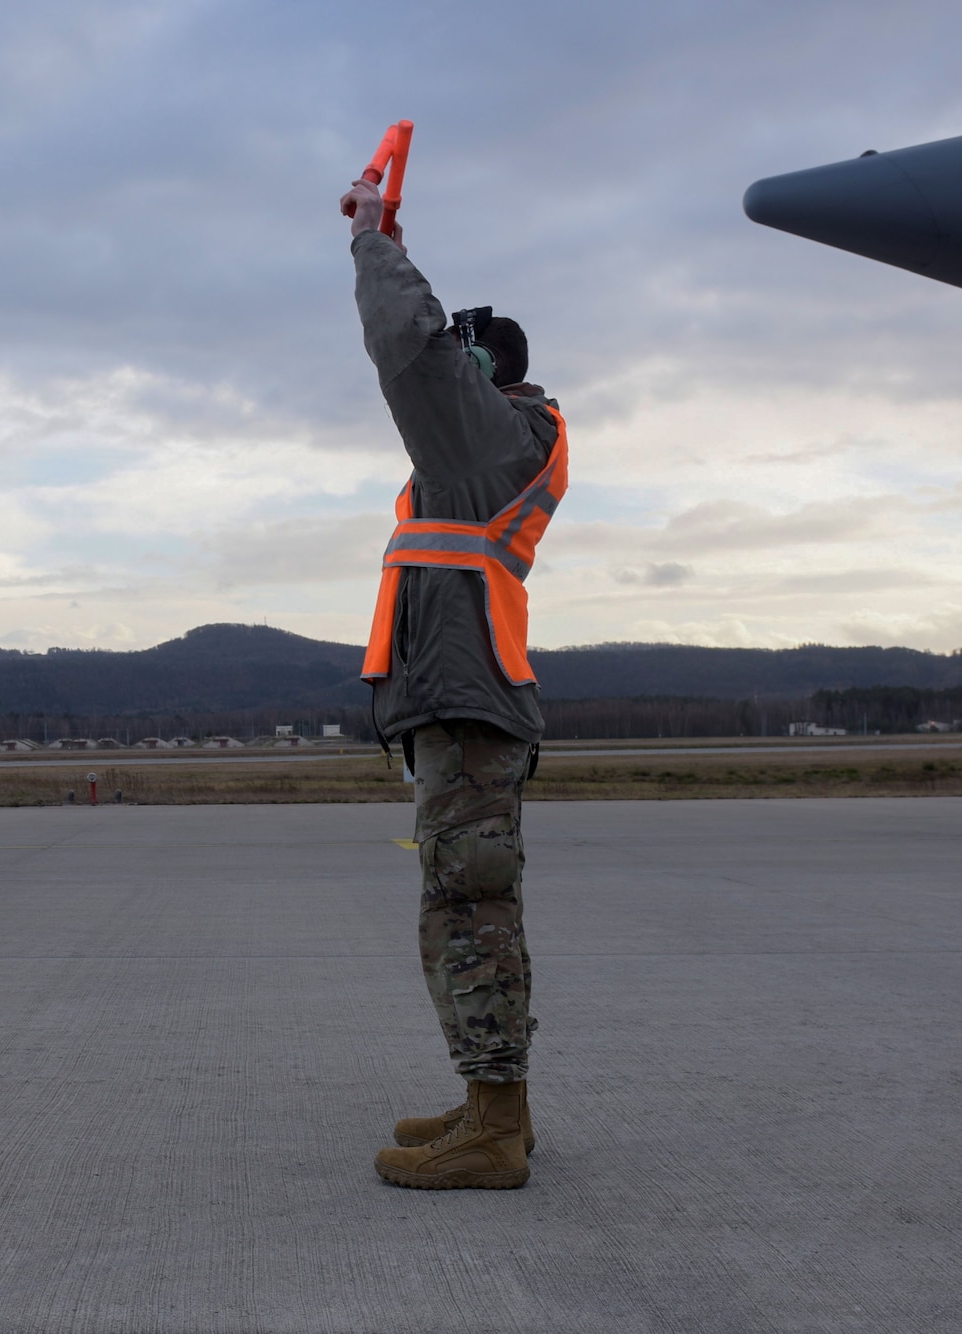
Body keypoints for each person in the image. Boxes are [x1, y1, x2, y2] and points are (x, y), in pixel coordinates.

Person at [339, 176, 568, 1190]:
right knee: (465, 904)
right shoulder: (489, 447)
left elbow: (410, 349)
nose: (450, 372)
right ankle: (491, 1105)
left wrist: (374, 241)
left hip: (469, 703)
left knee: (467, 912)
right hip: (460, 699)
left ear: (488, 373)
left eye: (464, 361)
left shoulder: (490, 433)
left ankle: (495, 1125)